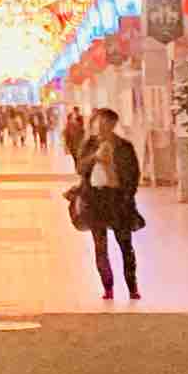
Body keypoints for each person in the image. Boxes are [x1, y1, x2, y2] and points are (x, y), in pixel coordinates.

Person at [76, 108, 142, 301]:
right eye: (99, 122)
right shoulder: (89, 145)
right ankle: (108, 287)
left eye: (106, 122)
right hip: (95, 199)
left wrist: (127, 196)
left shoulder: (124, 146)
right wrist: (94, 157)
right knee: (100, 246)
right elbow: (80, 168)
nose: (102, 126)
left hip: (117, 200)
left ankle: (132, 286)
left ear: (113, 124)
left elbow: (133, 173)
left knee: (125, 245)